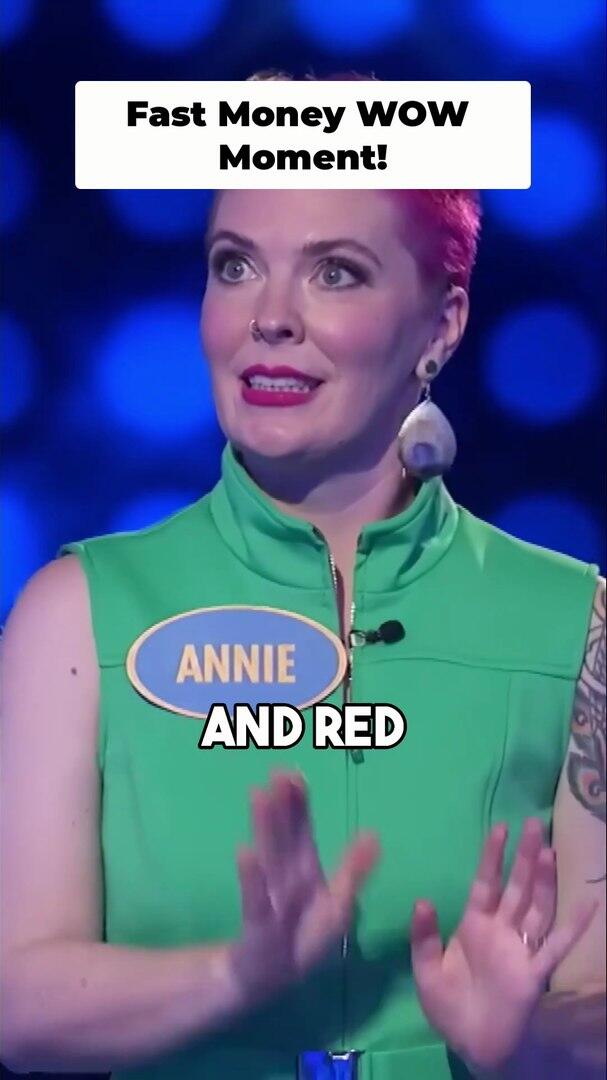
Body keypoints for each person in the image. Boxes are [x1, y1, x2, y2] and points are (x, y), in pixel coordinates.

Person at [1, 71, 605, 1080]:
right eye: (235, 265)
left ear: (441, 326)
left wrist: (523, 1043)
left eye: (335, 272)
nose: (269, 317)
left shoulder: (575, 622)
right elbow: (17, 1005)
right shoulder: (76, 614)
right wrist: (232, 976)